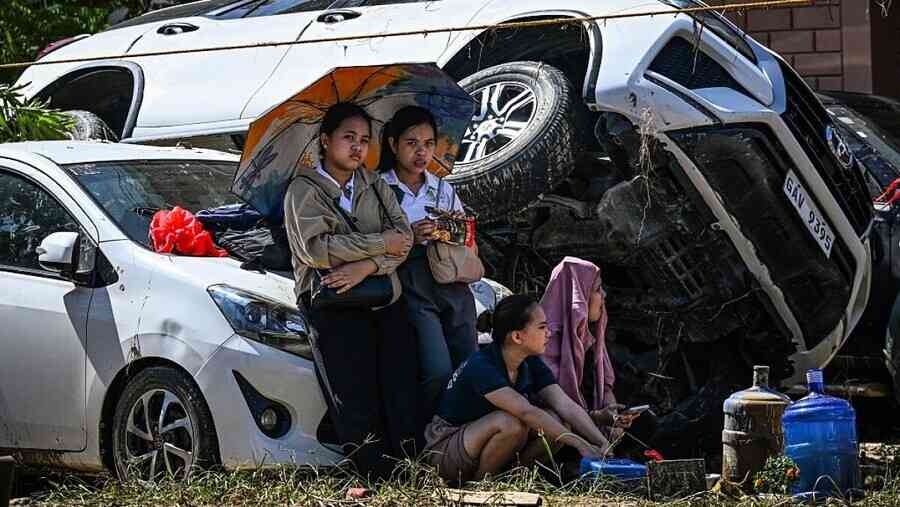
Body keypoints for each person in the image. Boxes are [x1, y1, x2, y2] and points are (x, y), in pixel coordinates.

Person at [283, 102, 417, 480]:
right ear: (325, 141)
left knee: (398, 383)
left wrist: (367, 266)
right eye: (348, 138)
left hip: (381, 296)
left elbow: (404, 239)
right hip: (332, 301)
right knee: (352, 392)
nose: (357, 147)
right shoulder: (303, 189)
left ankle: (407, 468)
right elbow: (317, 250)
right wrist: (378, 245)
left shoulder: (375, 183)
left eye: (364, 140)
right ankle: (372, 473)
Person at [424, 295, 610, 484]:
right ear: (517, 336)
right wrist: (581, 445)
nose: (549, 333)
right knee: (511, 424)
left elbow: (565, 405)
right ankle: (481, 485)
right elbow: (527, 412)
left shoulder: (529, 361)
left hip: (479, 444)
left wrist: (600, 442)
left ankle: (511, 479)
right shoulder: (482, 366)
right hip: (445, 450)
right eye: (542, 327)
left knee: (557, 423)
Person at [378, 106, 479, 428]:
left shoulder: (444, 188)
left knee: (468, 361)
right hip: (412, 280)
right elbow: (370, 237)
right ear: (393, 144)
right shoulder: (379, 188)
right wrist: (410, 234)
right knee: (436, 368)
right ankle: (432, 437)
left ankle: (465, 436)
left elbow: (467, 236)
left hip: (453, 280)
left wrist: (453, 231)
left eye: (428, 143)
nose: (421, 152)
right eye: (411, 143)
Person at [540, 257, 638, 436]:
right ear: (578, 296)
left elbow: (605, 387)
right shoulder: (543, 345)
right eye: (597, 289)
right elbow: (560, 409)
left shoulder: (590, 338)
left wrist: (614, 416)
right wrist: (597, 419)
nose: (604, 296)